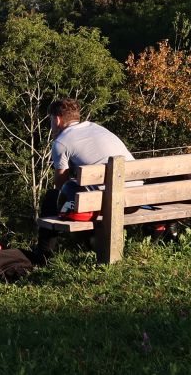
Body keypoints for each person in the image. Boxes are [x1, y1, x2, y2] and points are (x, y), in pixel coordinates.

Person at [34, 98, 136, 262]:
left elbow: (60, 185)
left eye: (51, 120)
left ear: (57, 119)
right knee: (83, 196)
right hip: (136, 196)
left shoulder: (61, 142)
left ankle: (44, 255)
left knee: (52, 197)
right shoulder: (97, 128)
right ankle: (88, 245)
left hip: (113, 202)